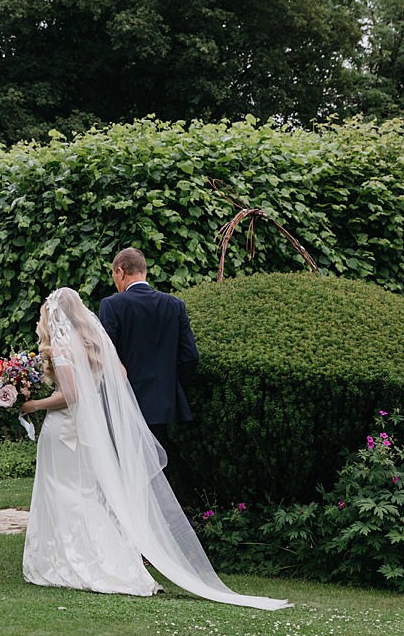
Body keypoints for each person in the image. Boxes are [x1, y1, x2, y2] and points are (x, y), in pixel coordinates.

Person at [18, 287, 290, 610]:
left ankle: (67, 559)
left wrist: (31, 404)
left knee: (63, 492)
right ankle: (104, 556)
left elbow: (73, 395)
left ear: (54, 315)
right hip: (87, 429)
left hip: (65, 428)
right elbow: (120, 374)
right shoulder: (93, 341)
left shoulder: (63, 344)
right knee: (84, 493)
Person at [95, 247, 198, 483]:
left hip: (126, 403)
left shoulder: (112, 305)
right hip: (163, 406)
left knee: (127, 473)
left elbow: (105, 356)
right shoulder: (174, 305)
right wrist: (170, 384)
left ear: (120, 272)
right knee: (157, 473)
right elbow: (190, 356)